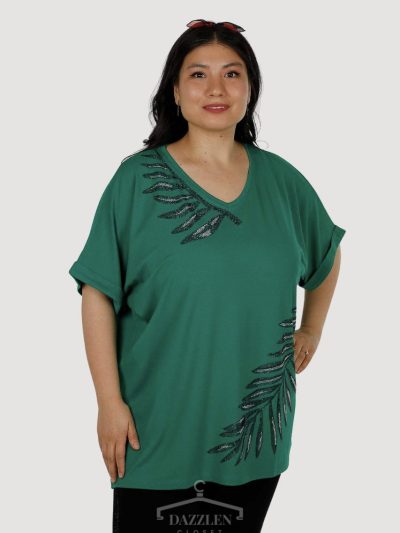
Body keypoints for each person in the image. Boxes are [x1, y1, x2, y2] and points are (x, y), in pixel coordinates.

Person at [68, 19, 346, 533]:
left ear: (250, 89)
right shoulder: (137, 181)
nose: (216, 88)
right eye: (198, 74)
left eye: (231, 73)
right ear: (175, 92)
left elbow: (327, 257)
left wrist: (311, 330)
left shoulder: (283, 182)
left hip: (253, 438)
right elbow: (97, 292)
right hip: (152, 429)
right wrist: (108, 403)